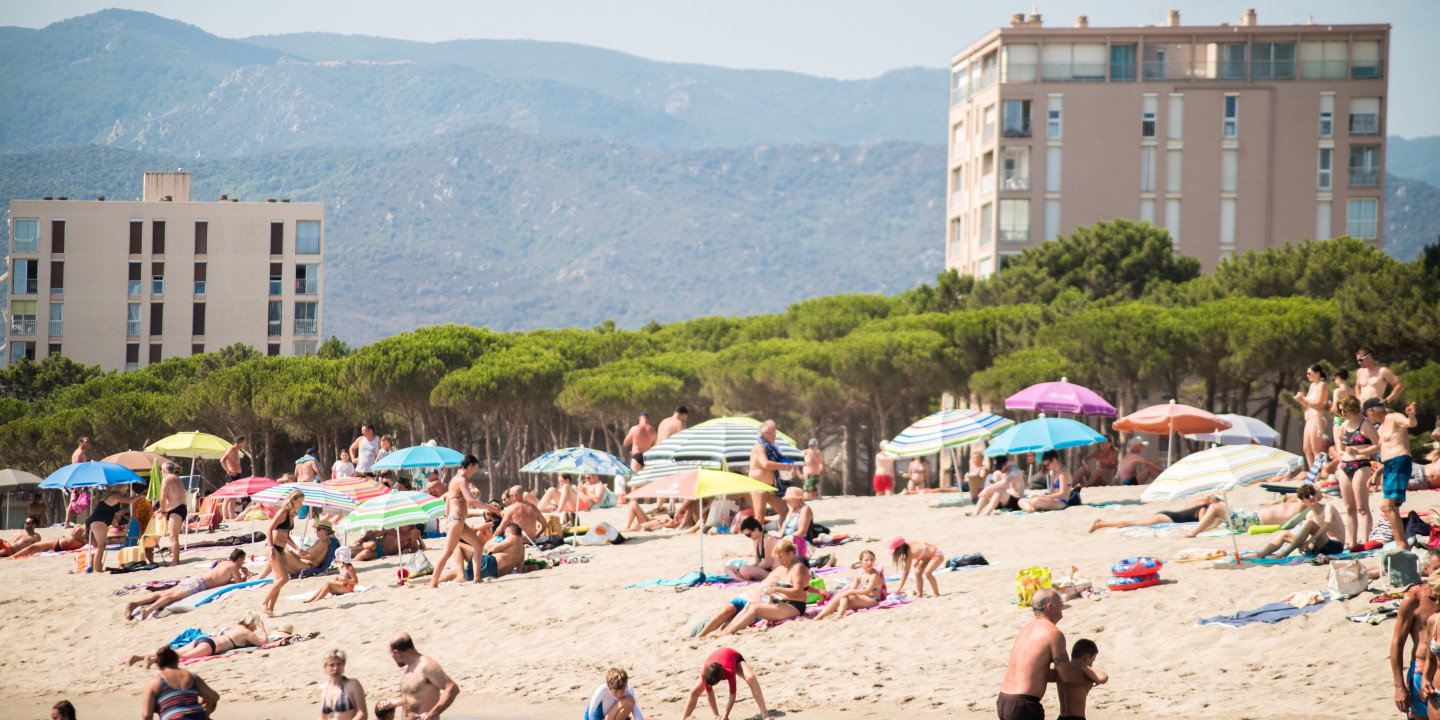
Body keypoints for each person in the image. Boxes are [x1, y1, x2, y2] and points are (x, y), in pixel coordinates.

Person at [997, 588, 1089, 720]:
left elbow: (1035, 672)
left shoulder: (1025, 630)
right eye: (1060, 601)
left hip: (1004, 701)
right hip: (1024, 705)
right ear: (1050, 607)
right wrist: (1087, 680)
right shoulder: (1053, 633)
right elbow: (1067, 675)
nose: (1063, 605)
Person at [710, 539, 810, 636]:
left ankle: (729, 631)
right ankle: (726, 630)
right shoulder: (787, 568)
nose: (778, 560)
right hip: (784, 603)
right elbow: (805, 587)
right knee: (750, 604)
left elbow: (797, 591)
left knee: (755, 608)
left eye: (780, 556)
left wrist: (777, 589)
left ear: (790, 554)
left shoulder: (798, 568)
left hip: (795, 606)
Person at [125, 549, 250, 620]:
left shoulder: (224, 563)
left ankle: (136, 604)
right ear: (239, 559)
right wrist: (245, 575)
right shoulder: (234, 566)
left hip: (196, 579)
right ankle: (148, 610)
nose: (243, 562)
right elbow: (239, 584)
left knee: (164, 594)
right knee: (173, 597)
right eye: (243, 560)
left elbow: (224, 581)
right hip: (201, 583)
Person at [430, 456, 490, 588]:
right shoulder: (461, 480)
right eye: (474, 468)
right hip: (456, 521)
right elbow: (472, 501)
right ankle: (433, 584)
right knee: (447, 552)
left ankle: (477, 577)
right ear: (469, 466)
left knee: (479, 545)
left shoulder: (455, 480)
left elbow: (448, 500)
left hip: (458, 521)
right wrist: (490, 508)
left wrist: (447, 519)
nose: (474, 471)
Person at [126, 610, 268, 666]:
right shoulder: (247, 632)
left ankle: (138, 657)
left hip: (205, 640)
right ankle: (151, 659)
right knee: (179, 655)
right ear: (253, 623)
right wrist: (263, 630)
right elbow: (264, 642)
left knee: (177, 650)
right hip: (211, 647)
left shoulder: (235, 627)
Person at [1370, 398, 1420, 552]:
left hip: (1399, 461)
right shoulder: (1381, 427)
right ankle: (1401, 543)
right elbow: (1378, 448)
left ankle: (1402, 544)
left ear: (1371, 411)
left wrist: (1411, 416)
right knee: (1393, 507)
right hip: (1389, 466)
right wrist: (1376, 471)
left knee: (1387, 505)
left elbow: (1410, 423)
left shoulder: (1393, 417)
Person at [1395, 553, 1440, 719]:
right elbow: (1397, 644)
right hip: (1421, 671)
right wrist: (1399, 686)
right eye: (1436, 569)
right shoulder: (1413, 599)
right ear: (1426, 569)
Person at [1332, 394, 1380, 548]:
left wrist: (1359, 452)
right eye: (1341, 410)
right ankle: (1352, 542)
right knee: (1349, 507)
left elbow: (1378, 445)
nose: (1342, 413)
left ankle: (1365, 541)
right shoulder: (1344, 425)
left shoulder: (1365, 425)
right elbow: (1338, 438)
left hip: (1361, 464)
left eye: (1344, 410)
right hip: (1345, 466)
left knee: (1362, 507)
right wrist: (1340, 452)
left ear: (1352, 408)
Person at [375, 633, 459, 720]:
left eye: (392, 655)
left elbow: (452, 688)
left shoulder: (426, 665)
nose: (393, 658)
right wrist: (394, 702)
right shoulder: (410, 668)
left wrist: (432, 713)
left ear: (397, 652)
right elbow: (417, 697)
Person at [1255, 483, 1347, 559]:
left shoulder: (1328, 507)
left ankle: (1283, 554)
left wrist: (1308, 542)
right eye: (1307, 496)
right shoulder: (1309, 515)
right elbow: (1309, 535)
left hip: (1335, 546)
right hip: (1319, 547)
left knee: (1310, 524)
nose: (1311, 496)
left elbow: (1326, 525)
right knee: (1284, 534)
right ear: (1303, 501)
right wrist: (1307, 544)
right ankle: (1259, 554)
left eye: (1312, 493)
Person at [681, 647, 772, 720]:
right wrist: (716, 715)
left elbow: (732, 694)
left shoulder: (729, 672)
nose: (711, 686)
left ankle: (765, 715)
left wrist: (725, 715)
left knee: (751, 678)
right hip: (714, 665)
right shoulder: (705, 673)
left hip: (734, 657)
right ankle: (684, 718)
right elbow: (709, 693)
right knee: (694, 692)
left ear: (721, 678)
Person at [139, 645, 219, 720]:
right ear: (177, 661)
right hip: (198, 716)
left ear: (158, 665)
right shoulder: (192, 677)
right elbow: (214, 697)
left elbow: (147, 715)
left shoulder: (155, 682)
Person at [260, 490, 303, 616]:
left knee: (277, 580)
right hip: (273, 547)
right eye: (300, 502)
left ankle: (270, 609)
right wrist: (272, 547)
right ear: (293, 500)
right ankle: (264, 602)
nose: (301, 505)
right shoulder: (283, 511)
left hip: (281, 548)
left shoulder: (291, 514)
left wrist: (297, 548)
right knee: (284, 578)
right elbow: (269, 529)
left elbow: (286, 536)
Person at [812, 549, 886, 621]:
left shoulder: (874, 575)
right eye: (866, 560)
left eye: (872, 560)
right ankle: (834, 615)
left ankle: (826, 616)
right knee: (844, 597)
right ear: (861, 562)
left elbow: (867, 591)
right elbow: (852, 588)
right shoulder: (859, 574)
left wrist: (851, 592)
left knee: (843, 595)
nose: (869, 562)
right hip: (862, 599)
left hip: (872, 600)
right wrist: (851, 593)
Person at [748, 420, 795, 526]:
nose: (774, 436)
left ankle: (782, 537)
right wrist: (784, 466)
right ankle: (757, 541)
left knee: (784, 511)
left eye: (775, 433)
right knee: (760, 514)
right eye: (771, 433)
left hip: (771, 486)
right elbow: (765, 464)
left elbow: (779, 462)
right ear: (763, 434)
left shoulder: (774, 448)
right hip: (758, 484)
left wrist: (790, 469)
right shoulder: (759, 447)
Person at [1087, 496, 1217, 533]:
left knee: (1133, 523)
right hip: (1167, 518)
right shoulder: (1203, 508)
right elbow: (1202, 522)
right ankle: (1100, 523)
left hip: (1167, 515)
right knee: (1132, 523)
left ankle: (1101, 523)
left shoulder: (1198, 503)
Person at [1183, 498, 1302, 538]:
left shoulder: (1300, 507)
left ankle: (1194, 532)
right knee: (1219, 516)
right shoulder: (1296, 506)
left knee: (1215, 507)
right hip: (1250, 517)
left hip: (1251, 520)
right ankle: (1200, 529)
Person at [87, 486, 142, 573]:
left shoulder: (109, 495)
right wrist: (141, 496)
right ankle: (97, 570)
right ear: (122, 489)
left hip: (95, 520)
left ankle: (97, 568)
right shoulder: (116, 495)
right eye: (126, 489)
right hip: (99, 521)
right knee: (101, 546)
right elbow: (129, 500)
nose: (126, 491)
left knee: (99, 546)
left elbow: (109, 510)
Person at [1057, 638, 1108, 720]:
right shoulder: (1084, 672)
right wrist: (1084, 667)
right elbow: (1103, 677)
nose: (1092, 664)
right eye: (1093, 660)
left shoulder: (1064, 670)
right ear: (1087, 657)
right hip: (1076, 717)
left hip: (1061, 717)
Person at [1294, 363, 1331, 467]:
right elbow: (1307, 404)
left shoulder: (1322, 385)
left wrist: (1303, 399)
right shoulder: (1312, 385)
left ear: (1317, 373)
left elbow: (1319, 404)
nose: (1307, 376)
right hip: (1309, 419)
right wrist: (1301, 400)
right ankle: (1312, 472)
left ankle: (1318, 473)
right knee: (1306, 448)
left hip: (1317, 418)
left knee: (1316, 448)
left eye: (1309, 373)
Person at [723, 516, 780, 581]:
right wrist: (751, 568)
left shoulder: (768, 540)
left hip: (772, 572)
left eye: (749, 535)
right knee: (727, 568)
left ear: (756, 529)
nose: (749, 537)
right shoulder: (756, 541)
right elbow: (757, 562)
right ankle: (740, 578)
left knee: (744, 569)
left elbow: (767, 563)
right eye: (746, 536)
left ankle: (741, 577)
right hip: (763, 569)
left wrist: (751, 568)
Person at [319, 648, 368, 720]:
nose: (336, 668)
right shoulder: (323, 688)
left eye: (339, 664)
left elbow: (362, 713)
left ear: (343, 666)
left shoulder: (353, 685)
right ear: (325, 667)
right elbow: (323, 717)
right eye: (331, 665)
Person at [156, 461, 187, 568]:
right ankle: (176, 560)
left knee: (173, 537)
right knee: (174, 537)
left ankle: (175, 562)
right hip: (181, 508)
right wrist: (162, 510)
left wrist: (163, 511)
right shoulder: (177, 478)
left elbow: (162, 497)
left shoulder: (166, 479)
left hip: (176, 510)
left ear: (163, 471)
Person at [352, 525, 425, 561]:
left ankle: (352, 562)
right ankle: (355, 547)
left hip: (382, 553)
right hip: (375, 543)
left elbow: (414, 549)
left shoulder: (412, 533)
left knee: (365, 553)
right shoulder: (393, 526)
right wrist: (362, 538)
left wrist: (418, 537)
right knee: (372, 545)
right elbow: (375, 534)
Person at [10, 524, 86, 557]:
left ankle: (14, 555)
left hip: (59, 543)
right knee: (36, 546)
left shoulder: (82, 529)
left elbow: (76, 530)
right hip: (61, 543)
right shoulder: (90, 536)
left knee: (34, 547)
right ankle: (14, 555)